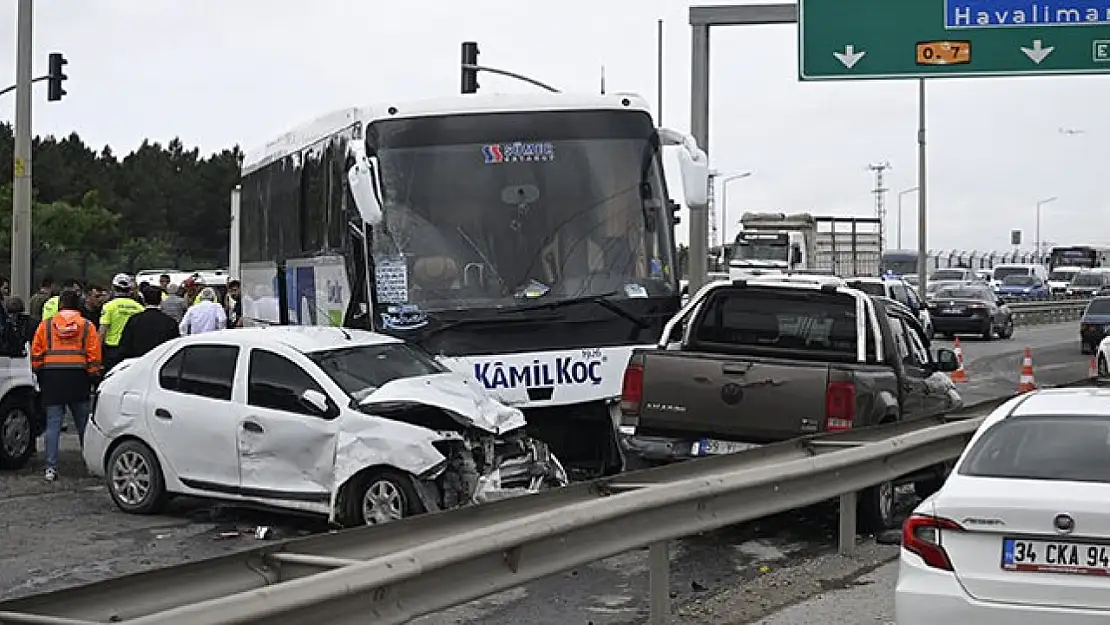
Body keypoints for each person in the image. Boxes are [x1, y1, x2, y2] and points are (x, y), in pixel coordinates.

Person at [31, 289, 102, 482]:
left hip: (53, 378)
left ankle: (51, 468)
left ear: (60, 304)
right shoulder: (86, 325)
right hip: (78, 378)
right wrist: (94, 374)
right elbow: (94, 354)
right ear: (77, 304)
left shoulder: (46, 326)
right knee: (83, 424)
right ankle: (90, 464)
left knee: (53, 424)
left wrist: (39, 371)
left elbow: (36, 353)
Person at [118, 285, 180, 360]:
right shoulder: (170, 322)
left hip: (137, 362)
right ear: (160, 300)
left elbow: (124, 346)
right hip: (161, 362)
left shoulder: (134, 320)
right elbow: (175, 347)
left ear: (144, 300)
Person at [99, 274, 145, 372]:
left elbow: (102, 331)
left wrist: (98, 354)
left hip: (113, 349)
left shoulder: (109, 306)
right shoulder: (139, 308)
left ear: (113, 287)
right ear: (130, 289)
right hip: (132, 350)